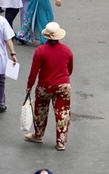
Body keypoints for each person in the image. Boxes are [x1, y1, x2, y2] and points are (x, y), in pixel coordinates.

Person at [25, 22, 73, 151]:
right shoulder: (67, 50)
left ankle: (38, 135)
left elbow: (34, 72)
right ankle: (61, 141)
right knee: (62, 112)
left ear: (46, 36)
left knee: (41, 110)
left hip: (45, 85)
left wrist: (29, 86)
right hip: (63, 85)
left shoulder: (40, 51)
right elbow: (70, 69)